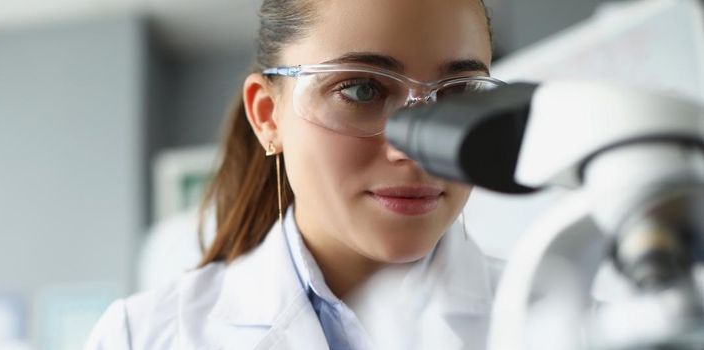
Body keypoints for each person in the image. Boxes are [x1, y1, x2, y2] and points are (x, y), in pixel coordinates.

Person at [86, 0, 504, 348]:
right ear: (268, 115)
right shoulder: (140, 338)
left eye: (457, 93)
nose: (416, 148)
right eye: (362, 90)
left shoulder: (551, 318)